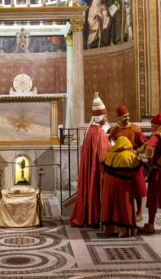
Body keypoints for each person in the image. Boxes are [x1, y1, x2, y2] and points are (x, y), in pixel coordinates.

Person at [70, 93, 111, 228]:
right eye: (105, 115)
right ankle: (95, 217)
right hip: (97, 169)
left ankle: (90, 216)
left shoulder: (92, 130)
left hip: (92, 168)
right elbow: (103, 153)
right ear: (100, 117)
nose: (106, 118)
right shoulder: (98, 132)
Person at [109, 105, 147, 222]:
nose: (127, 118)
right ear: (119, 118)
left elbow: (144, 145)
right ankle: (125, 212)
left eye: (128, 116)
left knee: (137, 187)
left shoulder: (135, 129)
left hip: (134, 162)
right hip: (120, 164)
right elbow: (110, 144)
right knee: (124, 190)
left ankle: (139, 212)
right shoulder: (115, 131)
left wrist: (136, 151)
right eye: (124, 116)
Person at [100, 136, 141, 237]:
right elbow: (136, 171)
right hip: (124, 185)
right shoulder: (130, 155)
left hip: (109, 185)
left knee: (110, 204)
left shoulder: (109, 154)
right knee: (124, 205)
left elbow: (102, 169)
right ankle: (124, 230)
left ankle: (110, 229)